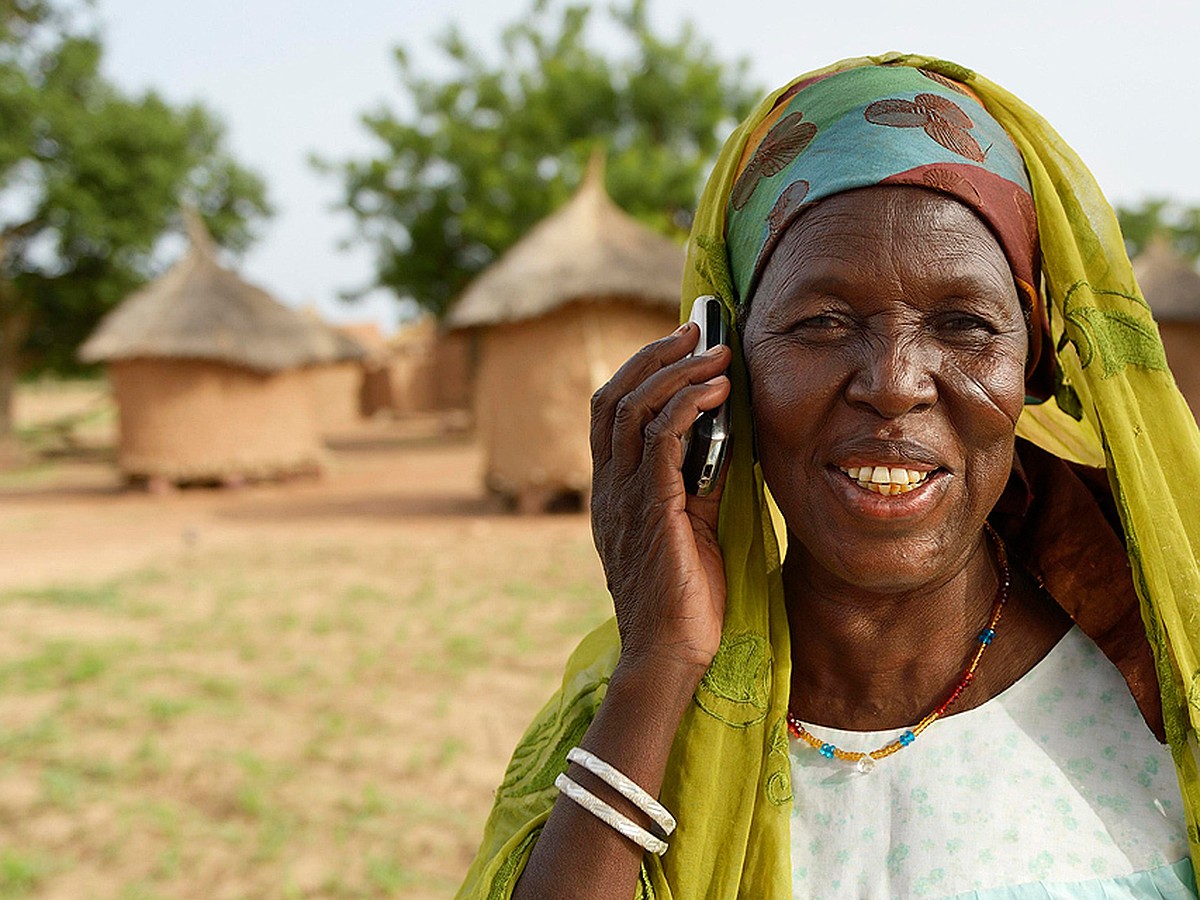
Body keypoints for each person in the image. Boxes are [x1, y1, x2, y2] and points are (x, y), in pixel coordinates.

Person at [456, 53, 1200, 899]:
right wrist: (662, 659)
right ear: (722, 367)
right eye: (820, 322)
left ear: (1033, 366)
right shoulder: (636, 715)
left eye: (963, 324)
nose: (893, 382)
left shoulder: (1166, 694)